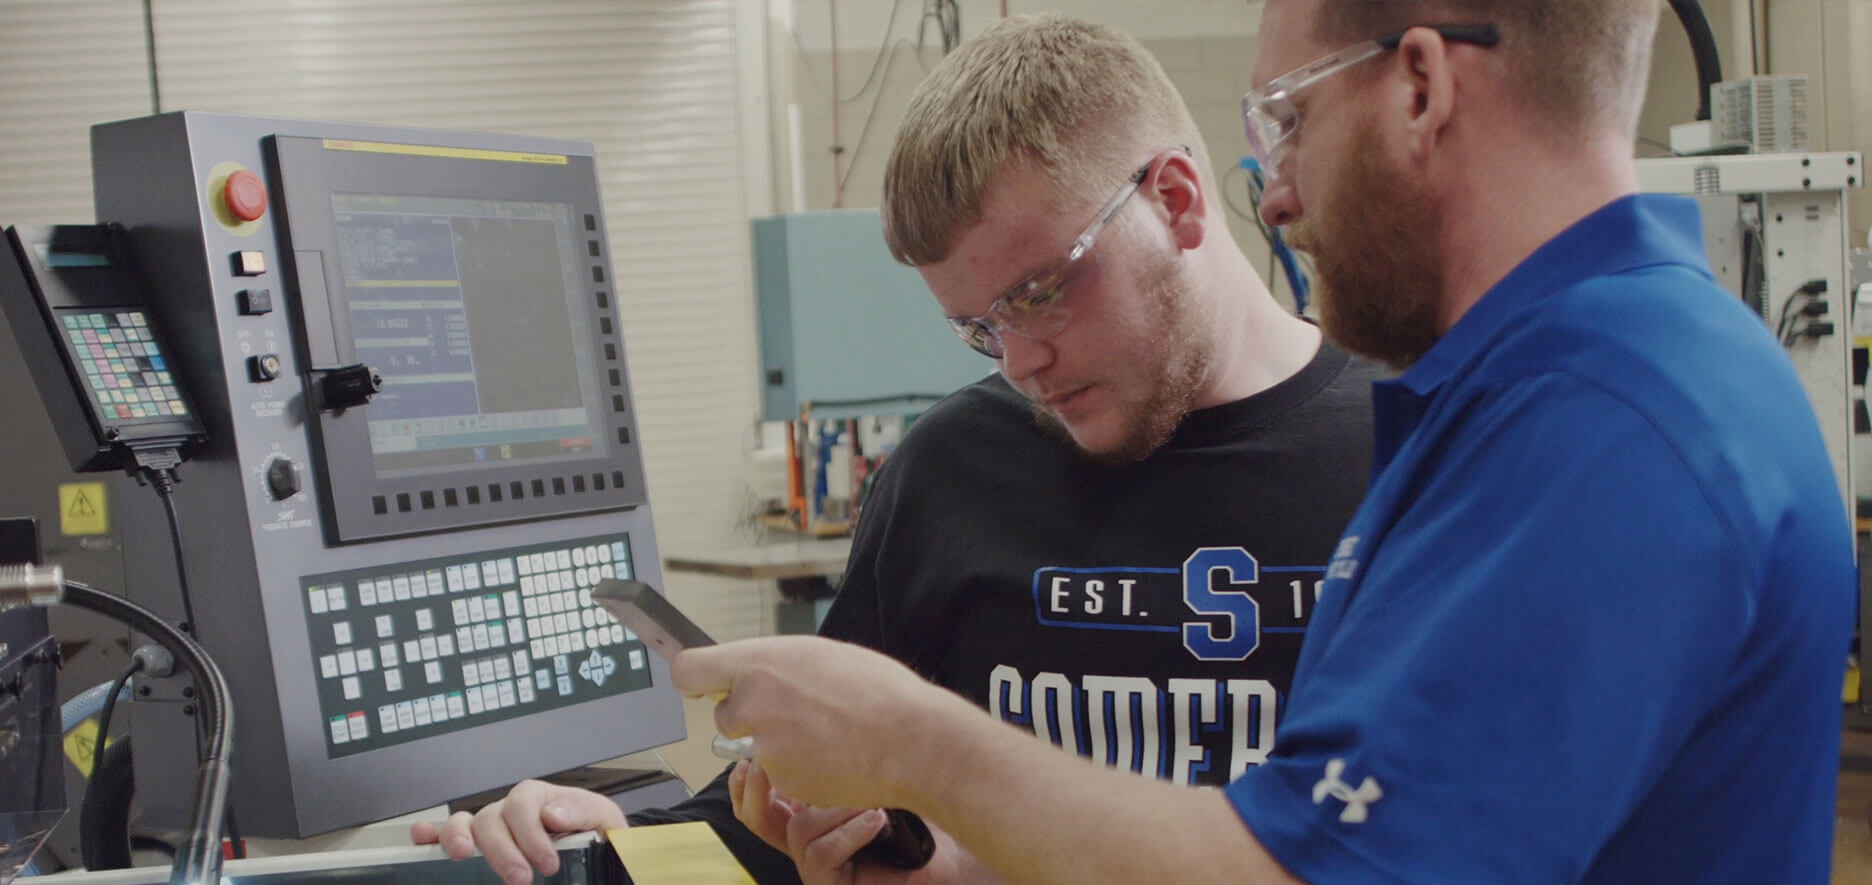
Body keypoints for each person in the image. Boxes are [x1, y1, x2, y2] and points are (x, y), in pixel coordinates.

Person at [672, 0, 1857, 882]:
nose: (1273, 189)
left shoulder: (1609, 425)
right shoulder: (1535, 398)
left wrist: (916, 741)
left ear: (1422, 88)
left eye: (1286, 115)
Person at [411, 14, 1382, 884]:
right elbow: (791, 806)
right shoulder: (953, 473)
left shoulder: (1416, 463)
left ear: (1174, 199)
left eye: (1042, 291)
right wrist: (621, 838)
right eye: (979, 327)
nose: (1022, 362)